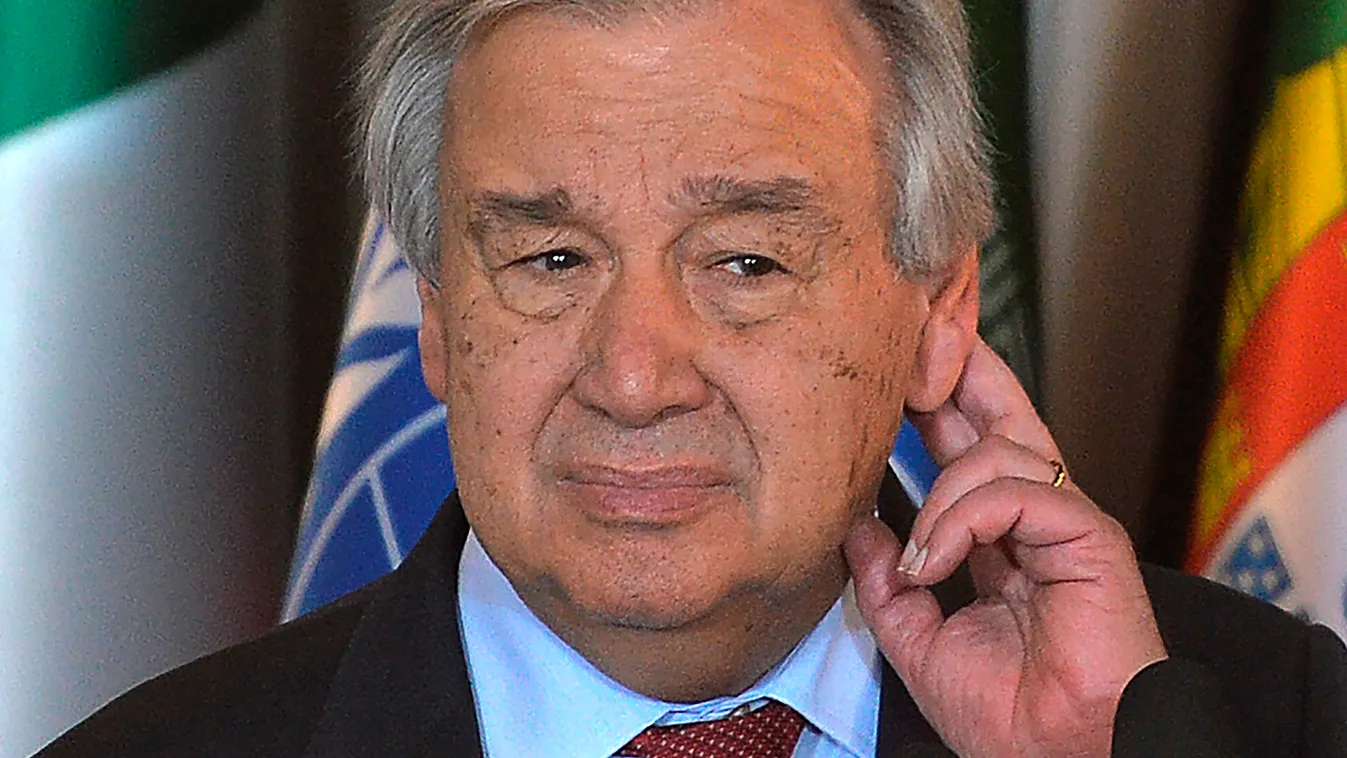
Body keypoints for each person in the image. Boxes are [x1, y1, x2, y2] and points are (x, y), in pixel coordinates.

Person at [36, 0, 1347, 756]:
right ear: (434, 310)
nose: (634, 374)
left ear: (941, 310)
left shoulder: (1258, 718)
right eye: (548, 255)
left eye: (744, 262)